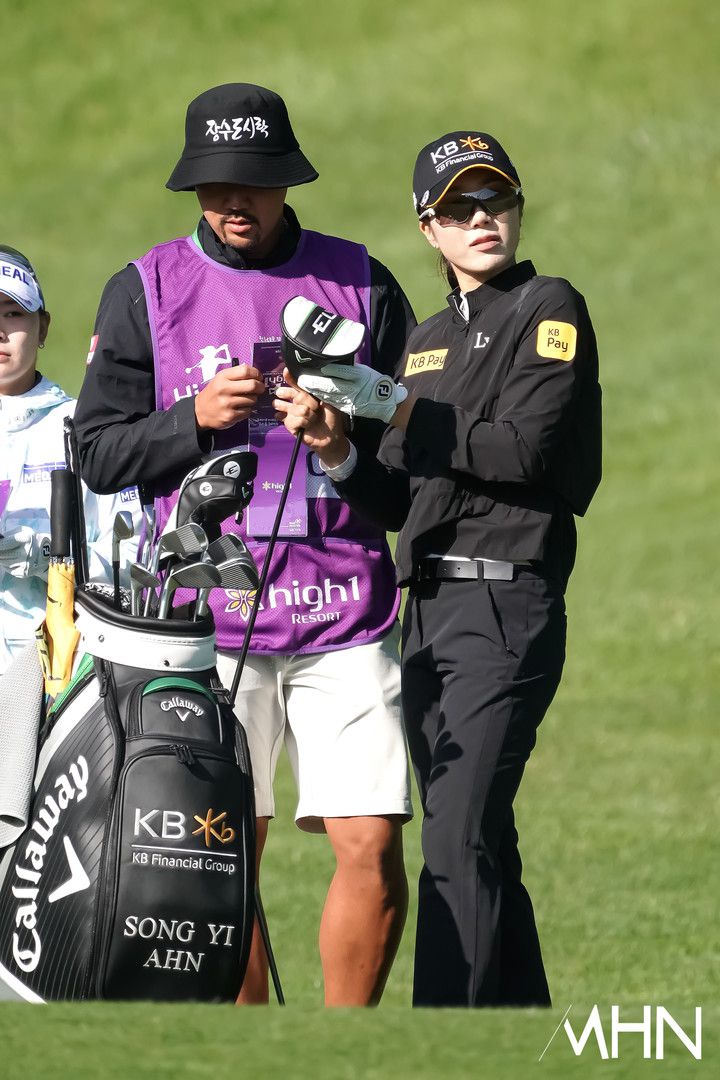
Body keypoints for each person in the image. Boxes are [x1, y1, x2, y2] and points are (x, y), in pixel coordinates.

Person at [73, 83, 415, 1006]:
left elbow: (407, 459)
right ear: (193, 186)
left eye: (255, 183)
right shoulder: (144, 288)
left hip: (346, 610)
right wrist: (191, 418)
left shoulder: (364, 281)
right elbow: (97, 453)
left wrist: (340, 445)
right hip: (207, 622)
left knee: (372, 844)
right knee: (221, 862)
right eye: (217, 184)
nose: (236, 201)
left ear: (286, 181)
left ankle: (344, 1052)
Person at [275, 129, 602, 1007]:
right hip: (427, 619)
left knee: (457, 838)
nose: (482, 217)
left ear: (517, 207)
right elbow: (397, 500)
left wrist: (388, 402)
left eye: (496, 198)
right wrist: (339, 447)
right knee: (478, 838)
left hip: (505, 604)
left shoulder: (548, 307)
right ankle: (519, 1037)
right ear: (429, 228)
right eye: (459, 207)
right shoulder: (423, 340)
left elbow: (524, 451)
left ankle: (440, 1045)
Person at [0, 245, 141, 675]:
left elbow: (132, 563)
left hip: (57, 674)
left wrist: (42, 554)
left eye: (12, 314)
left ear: (42, 327)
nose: (0, 332)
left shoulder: (86, 428)